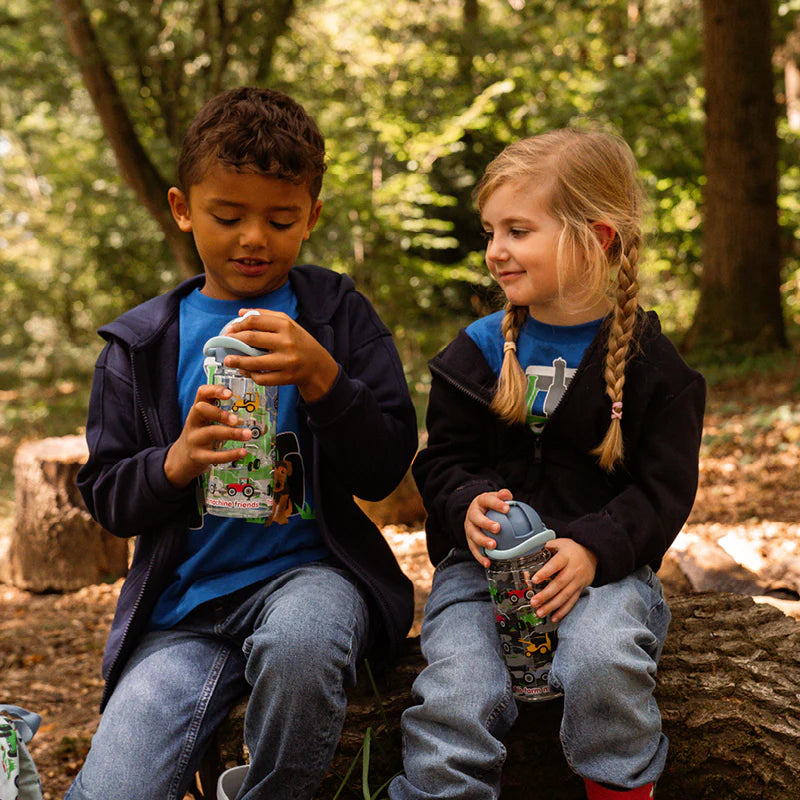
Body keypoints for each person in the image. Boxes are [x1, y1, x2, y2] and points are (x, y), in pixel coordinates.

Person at [66, 86, 418, 800]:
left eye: (280, 219)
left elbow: (385, 466)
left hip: (310, 577)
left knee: (301, 647)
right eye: (228, 216)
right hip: (184, 611)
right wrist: (174, 462)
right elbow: (106, 496)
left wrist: (324, 378)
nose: (253, 237)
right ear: (182, 208)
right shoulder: (140, 346)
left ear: (311, 218)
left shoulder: (337, 315)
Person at [389, 129, 706, 800]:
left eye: (518, 230)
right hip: (481, 579)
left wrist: (593, 549)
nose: (495, 250)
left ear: (597, 237)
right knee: (454, 686)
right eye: (490, 230)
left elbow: (663, 490)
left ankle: (618, 789)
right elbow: (443, 459)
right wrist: (465, 504)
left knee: (602, 661)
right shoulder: (476, 352)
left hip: (601, 577)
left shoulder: (653, 367)